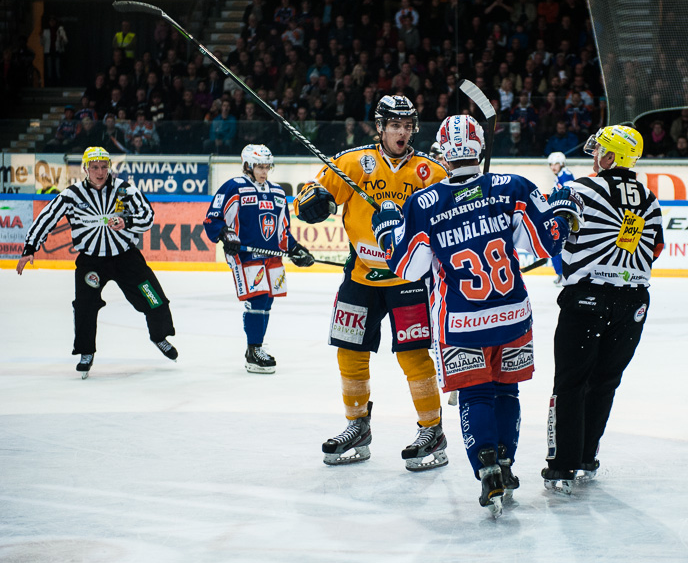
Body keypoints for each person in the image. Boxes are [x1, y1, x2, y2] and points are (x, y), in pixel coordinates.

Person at [372, 114, 581, 515]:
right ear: (480, 147)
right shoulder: (513, 186)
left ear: (442, 153)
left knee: (475, 392)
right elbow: (544, 244)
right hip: (512, 316)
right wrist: (563, 214)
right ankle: (506, 462)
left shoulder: (424, 203)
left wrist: (386, 233)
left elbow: (407, 269)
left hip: (461, 323)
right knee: (507, 391)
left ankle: (486, 467)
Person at [293, 95, 449, 471]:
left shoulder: (431, 171)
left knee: (412, 354)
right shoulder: (351, 163)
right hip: (361, 274)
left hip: (408, 277)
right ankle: (357, 425)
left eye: (408, 126)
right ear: (380, 128)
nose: (402, 132)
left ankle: (432, 429)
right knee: (349, 351)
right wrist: (313, 204)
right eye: (395, 125)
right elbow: (305, 201)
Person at [543, 125, 664, 495]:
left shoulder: (579, 188)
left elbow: (551, 233)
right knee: (605, 381)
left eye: (600, 151)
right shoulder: (649, 197)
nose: (595, 157)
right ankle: (586, 458)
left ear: (610, 157)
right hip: (633, 304)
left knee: (570, 383)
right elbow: (657, 249)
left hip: (586, 300)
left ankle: (562, 465)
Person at [16, 146, 178, 378]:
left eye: (104, 167)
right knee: (84, 307)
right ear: (85, 169)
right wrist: (30, 247)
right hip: (91, 263)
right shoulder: (72, 195)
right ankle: (86, 352)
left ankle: (159, 336)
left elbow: (148, 215)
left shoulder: (125, 189)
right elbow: (47, 217)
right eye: (94, 167)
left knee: (155, 299)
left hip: (126, 259)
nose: (100, 172)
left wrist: (128, 222)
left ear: (109, 167)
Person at [203, 144, 314, 373]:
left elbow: (283, 231)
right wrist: (226, 234)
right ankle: (253, 350)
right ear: (247, 166)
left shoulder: (277, 192)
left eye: (266, 167)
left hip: (271, 257)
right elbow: (213, 218)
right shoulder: (233, 187)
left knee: (267, 301)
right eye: (259, 167)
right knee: (257, 298)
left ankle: (256, 347)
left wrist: (296, 250)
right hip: (246, 254)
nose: (264, 171)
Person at [547, 151, 575, 285]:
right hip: (562, 214)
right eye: (551, 164)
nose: (553, 167)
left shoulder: (565, 175)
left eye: (556, 164)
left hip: (564, 215)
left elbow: (569, 192)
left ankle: (562, 273)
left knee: (556, 242)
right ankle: (561, 273)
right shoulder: (560, 175)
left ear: (562, 164)